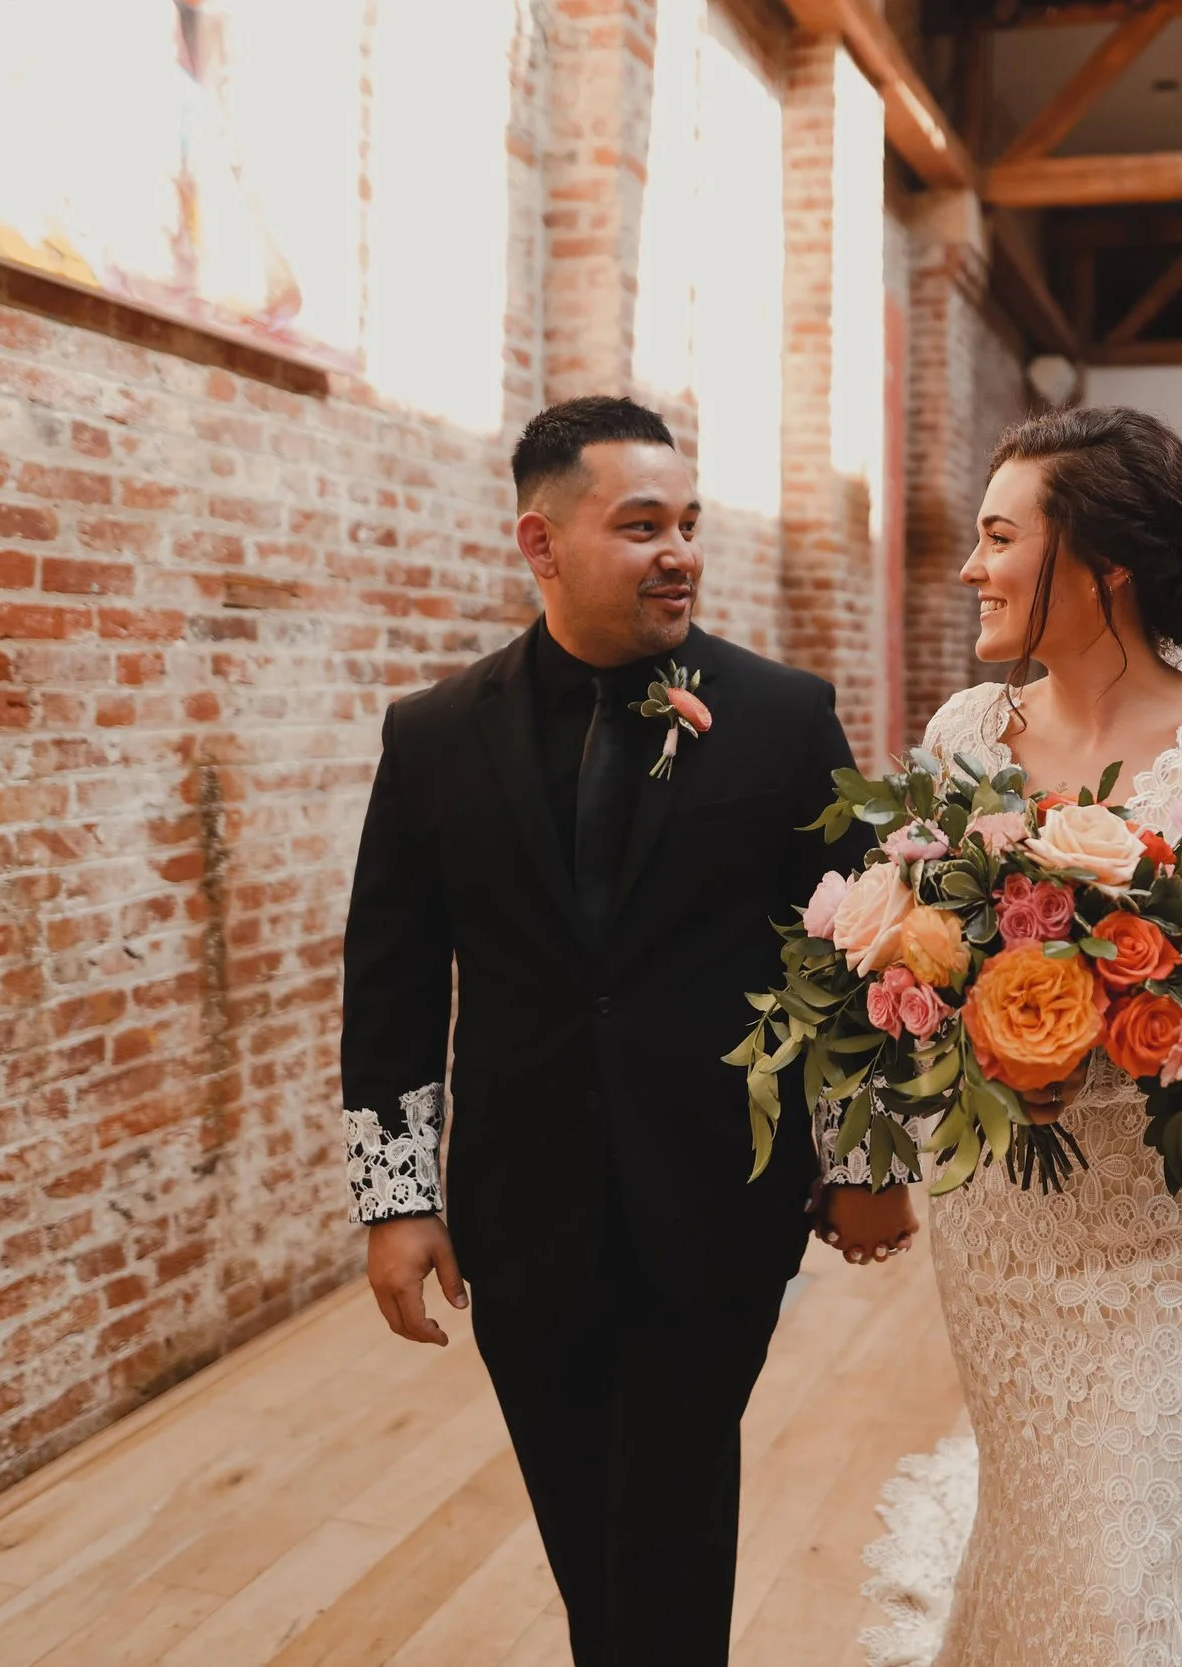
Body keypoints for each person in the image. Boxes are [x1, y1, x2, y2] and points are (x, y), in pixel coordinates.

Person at [338, 396, 857, 1667]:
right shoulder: (434, 734)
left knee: (671, 1524)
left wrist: (863, 1160)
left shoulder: (785, 717)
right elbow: (392, 978)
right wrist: (395, 1200)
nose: (678, 549)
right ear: (542, 541)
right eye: (640, 526)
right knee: (586, 1534)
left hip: (718, 1200)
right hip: (522, 1215)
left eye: (686, 523)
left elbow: (855, 953)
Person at [817, 406, 1182, 1665]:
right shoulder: (962, 738)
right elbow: (909, 963)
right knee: (1042, 1535)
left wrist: (1148, 1019)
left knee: (1116, 1592)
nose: (971, 567)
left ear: (1102, 560)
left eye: (1000, 536)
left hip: (1170, 1232)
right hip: (1004, 1225)